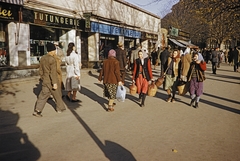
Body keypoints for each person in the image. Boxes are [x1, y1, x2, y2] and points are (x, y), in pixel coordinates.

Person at [33, 43, 66, 117]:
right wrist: (54, 83)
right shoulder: (52, 59)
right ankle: (60, 108)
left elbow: (40, 70)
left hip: (45, 80)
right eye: (54, 50)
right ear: (52, 51)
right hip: (52, 80)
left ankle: (37, 110)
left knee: (43, 95)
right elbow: (53, 72)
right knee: (57, 95)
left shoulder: (43, 58)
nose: (55, 52)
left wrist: (42, 78)